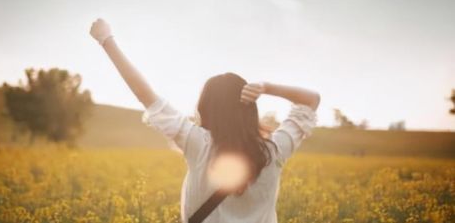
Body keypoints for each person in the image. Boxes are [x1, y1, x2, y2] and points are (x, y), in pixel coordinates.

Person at [90, 18, 320, 223]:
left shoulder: (199, 144)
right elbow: (311, 100)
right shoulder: (275, 150)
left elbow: (144, 94)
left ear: (205, 108)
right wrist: (267, 87)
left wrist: (106, 39)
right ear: (250, 109)